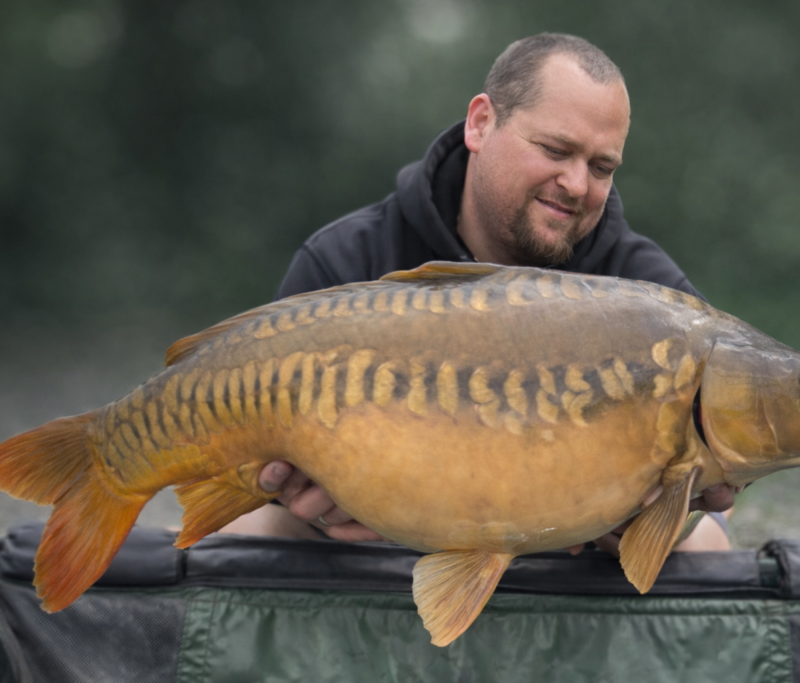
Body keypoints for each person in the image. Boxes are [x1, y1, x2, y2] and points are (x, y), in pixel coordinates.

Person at [220, 33, 736, 552]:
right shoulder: (346, 261)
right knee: (244, 530)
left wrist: (656, 520)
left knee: (705, 548)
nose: (578, 185)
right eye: (556, 150)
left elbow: (712, 512)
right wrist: (303, 510)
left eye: (601, 167)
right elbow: (255, 477)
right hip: (365, 554)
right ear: (481, 123)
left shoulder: (649, 299)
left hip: (559, 570)